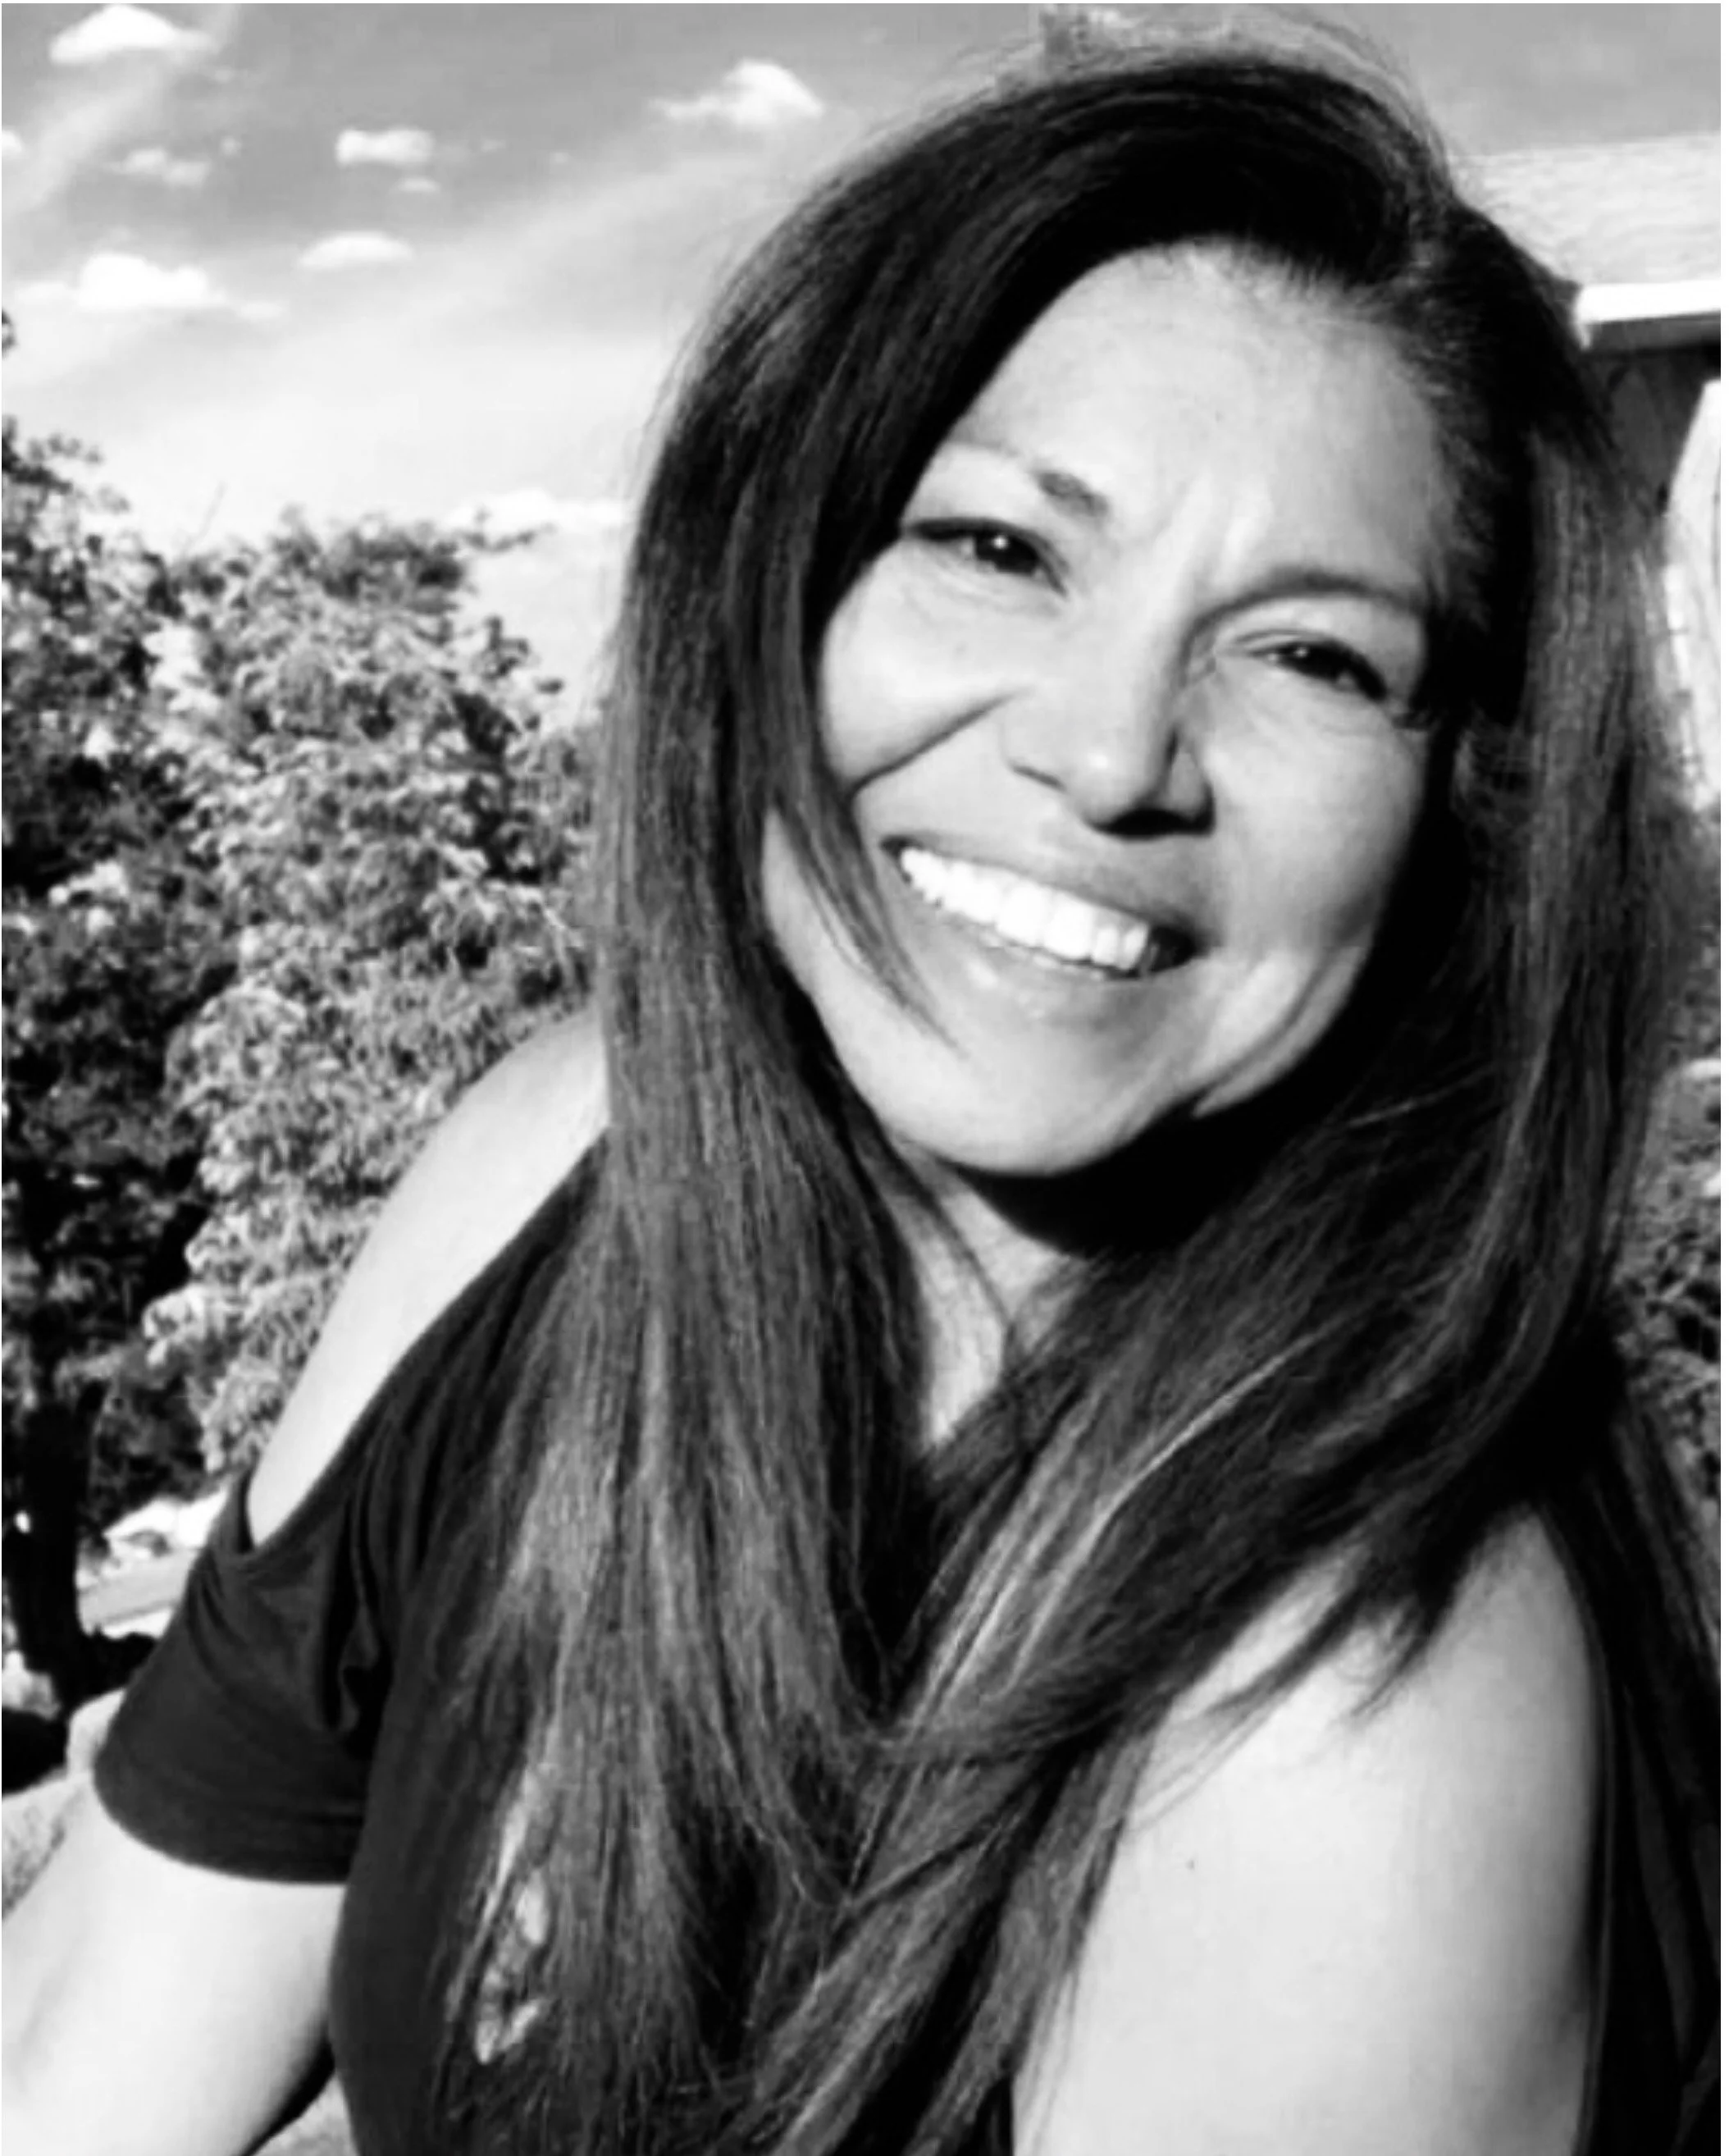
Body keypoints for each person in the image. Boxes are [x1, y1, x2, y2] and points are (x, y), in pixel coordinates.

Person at [3, 33, 1716, 2156]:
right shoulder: (563, 1177)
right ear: (778, 587)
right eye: (1000, 549)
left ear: (1457, 809)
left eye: (1310, 657)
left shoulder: (1348, 1719)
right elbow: (92, 2030)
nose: (1107, 753)